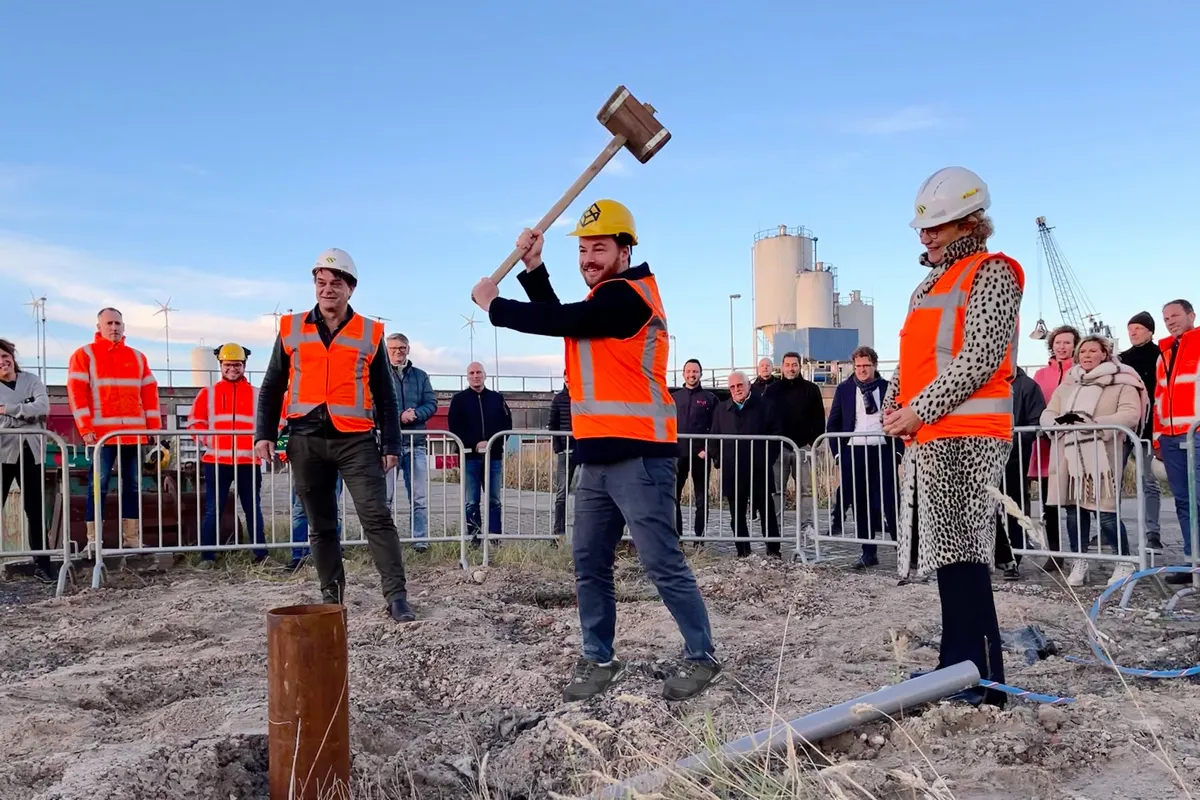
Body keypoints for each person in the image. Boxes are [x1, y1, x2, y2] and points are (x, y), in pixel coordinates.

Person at [470, 198, 720, 702]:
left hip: (642, 458)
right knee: (589, 563)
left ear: (624, 251)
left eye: (599, 248)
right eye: (583, 249)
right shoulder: (602, 300)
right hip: (596, 458)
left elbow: (563, 320)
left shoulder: (631, 297)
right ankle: (599, 657)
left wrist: (494, 306)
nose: (588, 258)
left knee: (661, 562)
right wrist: (535, 268)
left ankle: (702, 656)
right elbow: (566, 319)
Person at [883, 166, 1023, 708]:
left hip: (968, 433)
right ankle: (954, 665)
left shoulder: (994, 273)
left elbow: (981, 357)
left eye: (937, 226)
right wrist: (898, 405)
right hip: (932, 435)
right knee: (948, 557)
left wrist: (917, 410)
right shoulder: (927, 285)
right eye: (923, 227)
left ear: (970, 223)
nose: (926, 235)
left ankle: (983, 681)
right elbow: (915, 359)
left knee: (965, 556)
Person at [254, 248, 415, 623]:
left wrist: (391, 443)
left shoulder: (370, 332)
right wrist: (264, 433)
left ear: (350, 289)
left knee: (377, 518)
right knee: (321, 524)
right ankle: (332, 597)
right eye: (321, 283)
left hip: (355, 439)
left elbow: (386, 396)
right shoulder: (291, 328)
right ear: (314, 286)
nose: (327, 290)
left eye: (336, 283)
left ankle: (397, 597)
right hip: (305, 438)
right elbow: (272, 384)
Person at [1040, 335, 1145, 587]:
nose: (1087, 355)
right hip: (1068, 454)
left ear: (1104, 354)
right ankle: (1080, 559)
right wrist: (1059, 425)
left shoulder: (1122, 382)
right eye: (1083, 351)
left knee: (1105, 510)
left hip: (1103, 454)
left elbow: (1130, 413)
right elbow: (1048, 413)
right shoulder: (1068, 384)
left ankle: (1124, 561)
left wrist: (1093, 425)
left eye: (1093, 351)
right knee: (1073, 510)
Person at [67, 307, 163, 555]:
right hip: (102, 437)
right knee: (97, 486)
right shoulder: (85, 355)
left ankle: (131, 537)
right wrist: (85, 428)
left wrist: (153, 430)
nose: (114, 328)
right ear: (98, 326)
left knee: (132, 485)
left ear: (124, 326)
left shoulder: (138, 357)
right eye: (109, 323)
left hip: (134, 435)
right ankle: (94, 539)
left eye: (118, 323)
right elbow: (77, 395)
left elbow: (150, 396)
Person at [188, 343, 267, 566]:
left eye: (237, 364)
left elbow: (274, 421)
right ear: (220, 366)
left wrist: (263, 443)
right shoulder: (208, 394)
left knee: (253, 509)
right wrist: (211, 441)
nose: (233, 368)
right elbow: (195, 423)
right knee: (214, 508)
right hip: (216, 461)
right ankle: (208, 557)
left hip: (248, 461)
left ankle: (261, 555)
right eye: (228, 364)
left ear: (244, 366)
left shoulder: (257, 395)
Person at [825, 346, 900, 569]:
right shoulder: (844, 389)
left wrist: (897, 451)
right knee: (861, 503)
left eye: (866, 365)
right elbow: (833, 424)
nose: (861, 370)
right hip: (854, 451)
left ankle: (903, 549)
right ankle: (868, 552)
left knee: (891, 502)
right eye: (858, 366)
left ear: (874, 366)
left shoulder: (888, 388)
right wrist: (839, 454)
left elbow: (899, 417)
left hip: (882, 450)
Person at [709, 371, 783, 557]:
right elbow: (713, 437)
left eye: (740, 385)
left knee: (767, 510)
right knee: (737, 513)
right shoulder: (721, 409)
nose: (736, 390)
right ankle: (743, 552)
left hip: (759, 468)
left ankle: (773, 551)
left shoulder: (765, 405)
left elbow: (776, 436)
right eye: (732, 387)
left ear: (748, 385)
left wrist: (767, 459)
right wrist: (719, 460)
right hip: (732, 469)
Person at [0, 339, 56, 583]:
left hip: (32, 454)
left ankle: (42, 565)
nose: (3, 362)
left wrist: (8, 410)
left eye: (5, 356)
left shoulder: (31, 380)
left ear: (12, 356)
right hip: (3, 455)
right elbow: (34, 412)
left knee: (35, 510)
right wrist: (26, 412)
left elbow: (43, 406)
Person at [1153, 298, 1200, 585]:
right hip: (1171, 439)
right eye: (1166, 318)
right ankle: (1192, 560)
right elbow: (1159, 398)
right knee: (1183, 501)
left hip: (1196, 434)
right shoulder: (1165, 354)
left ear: (1191, 315)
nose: (1170, 321)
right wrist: (1158, 439)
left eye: (1175, 316)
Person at [1030, 325, 1079, 570]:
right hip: (1047, 445)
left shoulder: (1081, 372)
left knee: (1074, 502)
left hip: (1073, 443)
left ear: (1075, 346)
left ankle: (1080, 555)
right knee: (1049, 503)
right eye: (1058, 342)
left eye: (1067, 343)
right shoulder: (1040, 375)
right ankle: (1055, 553)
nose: (1062, 347)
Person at [446, 362, 512, 545]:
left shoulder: (497, 399)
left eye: (479, 372)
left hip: (494, 457)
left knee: (494, 500)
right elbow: (454, 427)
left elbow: (507, 426)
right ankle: (474, 538)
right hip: (470, 458)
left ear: (485, 375)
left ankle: (495, 537)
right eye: (472, 373)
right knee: (471, 501)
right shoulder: (458, 400)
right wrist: (474, 444)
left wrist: (491, 443)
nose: (476, 376)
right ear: (468, 376)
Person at [384, 333, 436, 552]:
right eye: (393, 348)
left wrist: (416, 413)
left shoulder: (421, 376)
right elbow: (372, 406)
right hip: (387, 445)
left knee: (419, 498)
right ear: (386, 350)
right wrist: (398, 417)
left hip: (416, 444)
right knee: (384, 499)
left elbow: (431, 403)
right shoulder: (378, 375)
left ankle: (420, 541)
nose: (398, 352)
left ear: (408, 349)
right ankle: (385, 543)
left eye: (402, 348)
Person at [763, 351, 824, 534]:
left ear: (800, 366)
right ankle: (776, 527)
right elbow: (765, 418)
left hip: (803, 448)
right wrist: (771, 443)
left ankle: (807, 526)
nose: (791, 368)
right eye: (787, 365)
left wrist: (812, 442)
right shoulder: (772, 391)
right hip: (779, 448)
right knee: (776, 491)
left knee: (806, 490)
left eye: (794, 365)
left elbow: (819, 418)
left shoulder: (811, 389)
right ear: (782, 367)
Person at [993, 366, 1045, 580]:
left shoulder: (1027, 386)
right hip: (983, 457)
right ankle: (988, 556)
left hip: (1013, 459)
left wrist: (1011, 441)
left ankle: (1013, 559)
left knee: (1013, 510)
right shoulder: (984, 382)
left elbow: (1036, 422)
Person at [1119, 312, 1164, 552]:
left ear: (1150, 330)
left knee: (1149, 482)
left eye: (1138, 328)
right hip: (1123, 429)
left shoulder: (1161, 356)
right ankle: (1111, 530)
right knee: (1112, 482)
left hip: (1150, 429)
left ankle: (1152, 534)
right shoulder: (1121, 359)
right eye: (1130, 328)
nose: (1133, 332)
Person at [671, 358, 717, 542]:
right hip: (678, 455)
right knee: (674, 498)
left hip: (701, 456)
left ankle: (700, 539)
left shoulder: (709, 399)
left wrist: (707, 449)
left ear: (700, 373)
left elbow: (715, 427)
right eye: (689, 371)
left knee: (701, 500)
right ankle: (678, 538)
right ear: (683, 374)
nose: (692, 375)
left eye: (695, 371)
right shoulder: (674, 398)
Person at [548, 371, 577, 539]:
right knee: (561, 493)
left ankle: (582, 532)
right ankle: (558, 533)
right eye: (566, 379)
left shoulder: (583, 397)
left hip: (582, 452)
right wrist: (558, 448)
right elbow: (552, 424)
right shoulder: (558, 399)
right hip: (565, 453)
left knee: (584, 492)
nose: (568, 382)